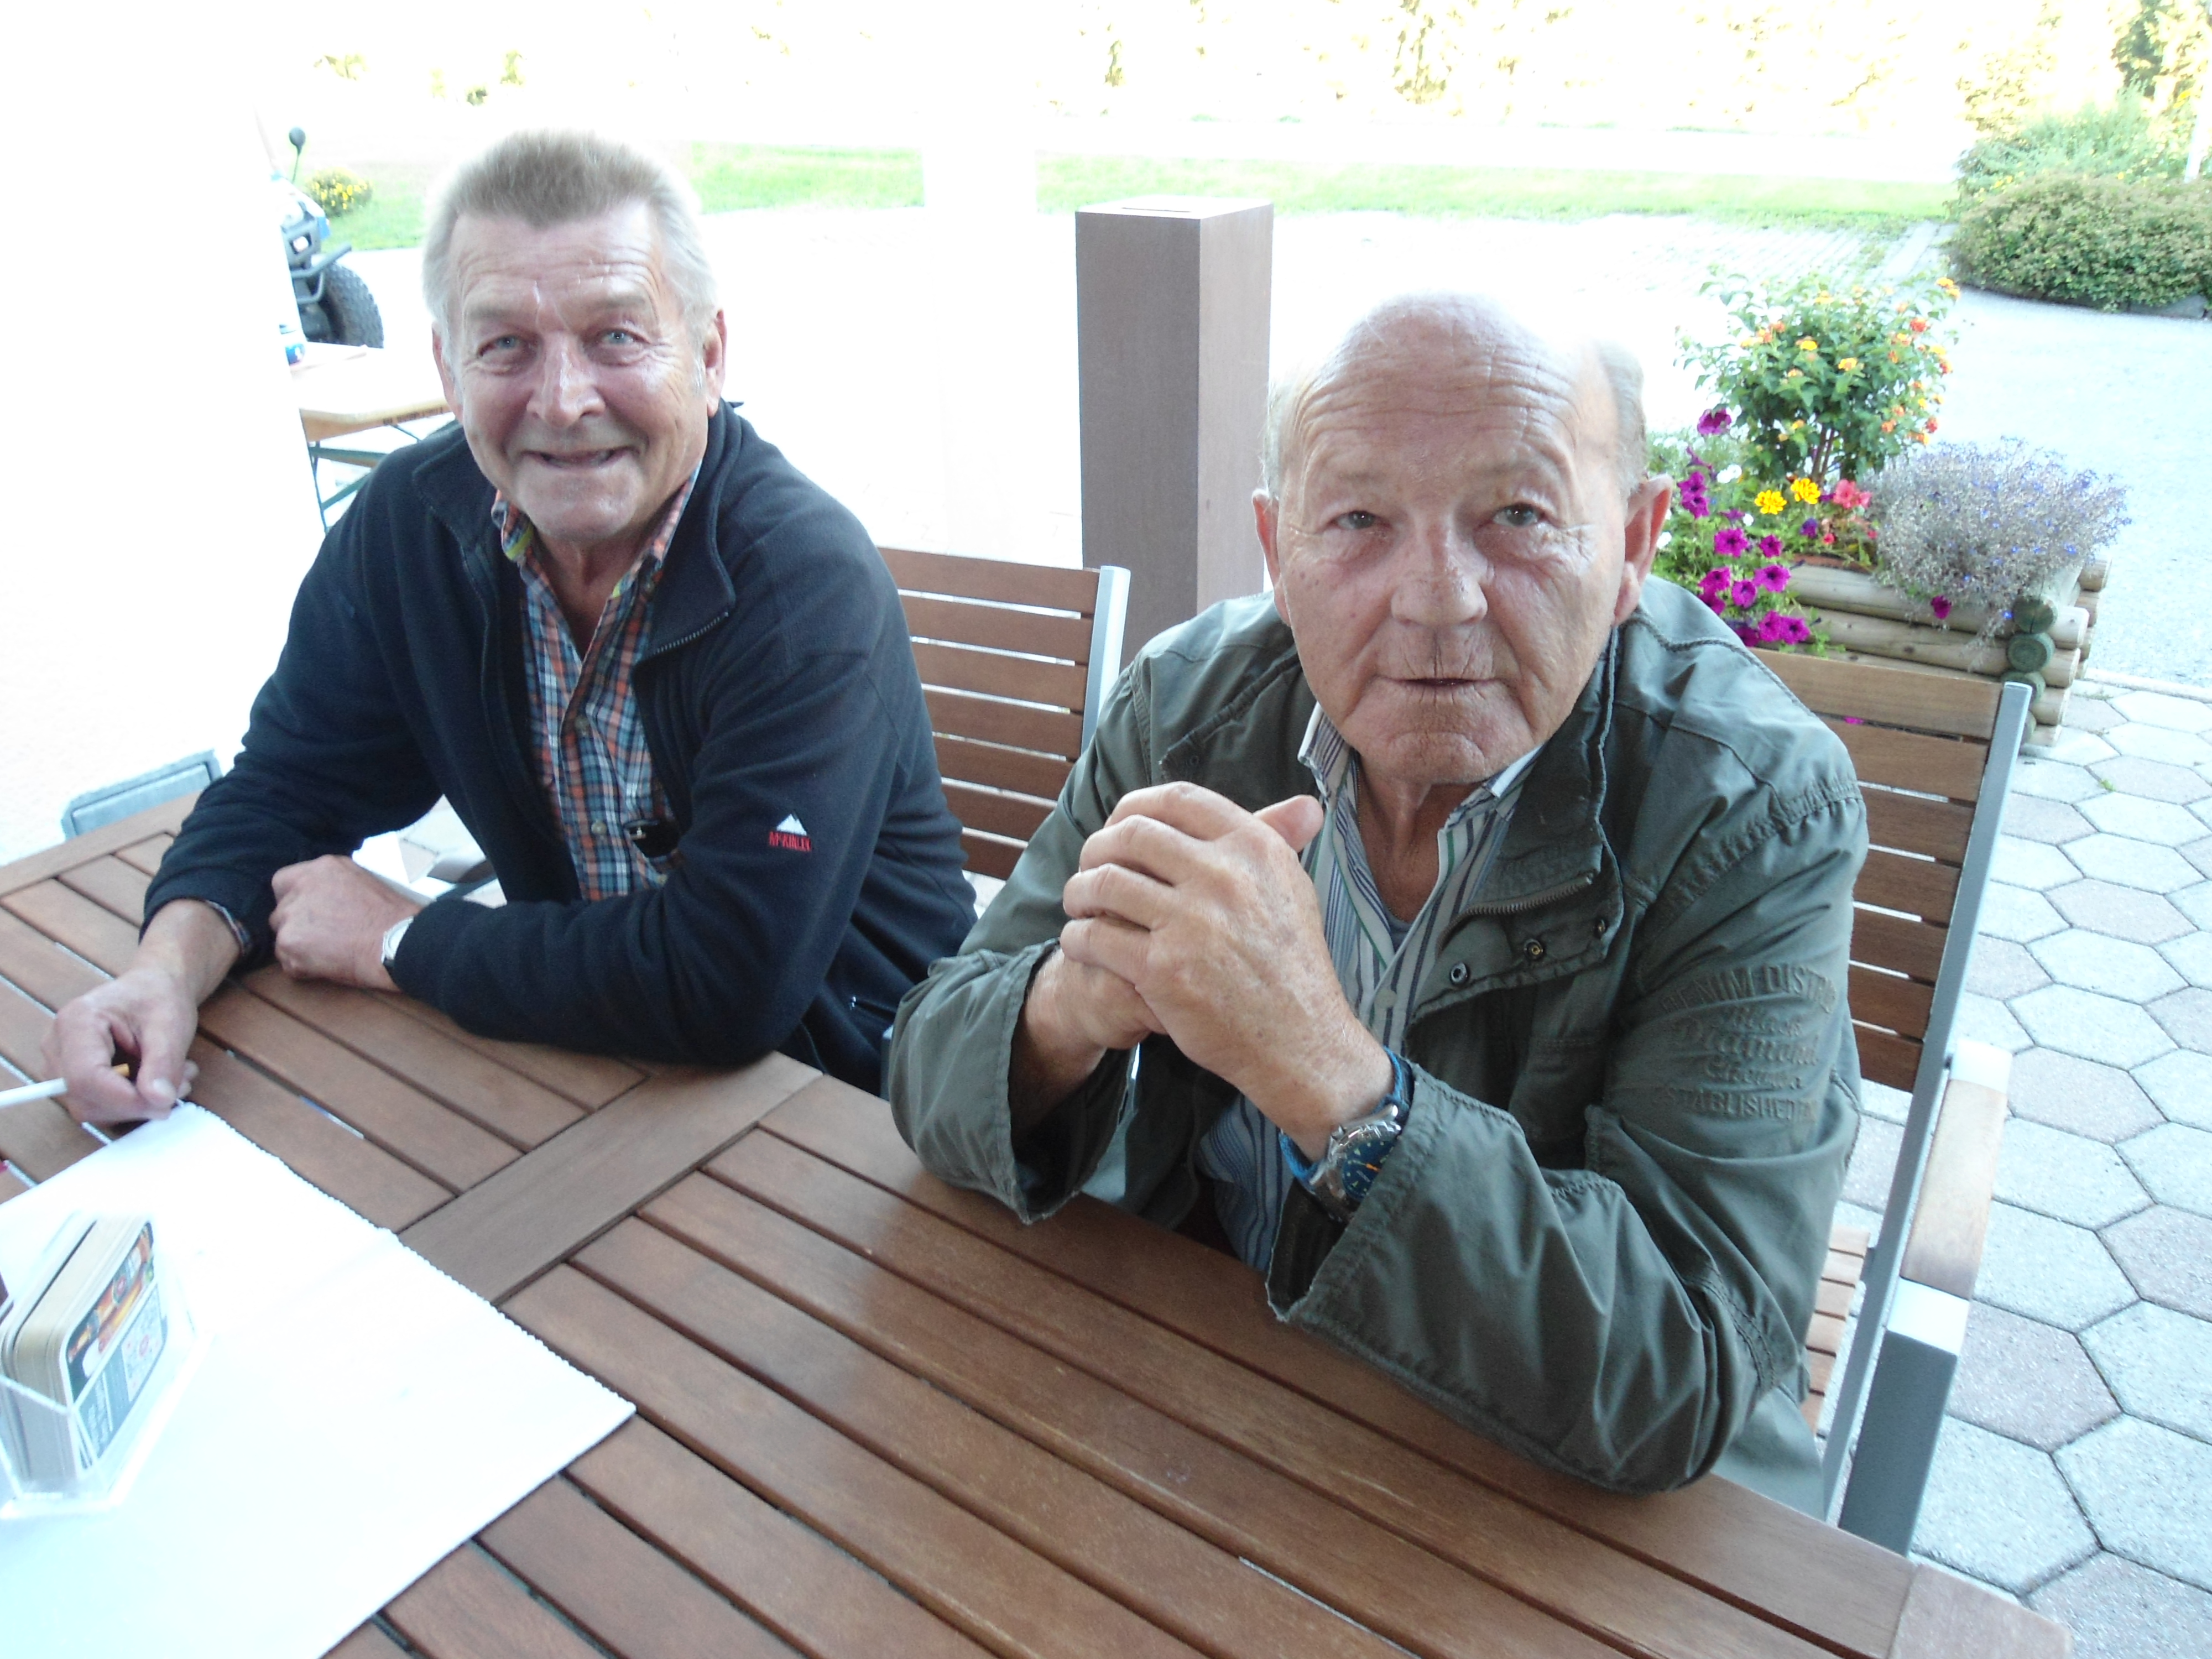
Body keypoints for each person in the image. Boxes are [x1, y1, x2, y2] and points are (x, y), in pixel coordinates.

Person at [887, 293, 1866, 1511]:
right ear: (1276, 551)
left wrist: (1332, 1080)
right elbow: (929, 1062)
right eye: (1357, 520)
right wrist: (1069, 1007)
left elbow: (1684, 1354)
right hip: (1212, 1392)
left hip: (1547, 1497)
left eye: (1517, 515)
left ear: (1631, 544)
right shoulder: (1187, 710)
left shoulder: (1753, 806)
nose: (1437, 598)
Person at [47, 130, 976, 1117]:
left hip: (861, 1092)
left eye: (617, 336)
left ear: (707, 356)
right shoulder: (412, 530)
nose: (563, 402)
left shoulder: (801, 586)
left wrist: (402, 938)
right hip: (589, 1061)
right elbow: (289, 787)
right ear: (449, 372)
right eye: (506, 347)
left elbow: (732, 978)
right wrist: (164, 973)